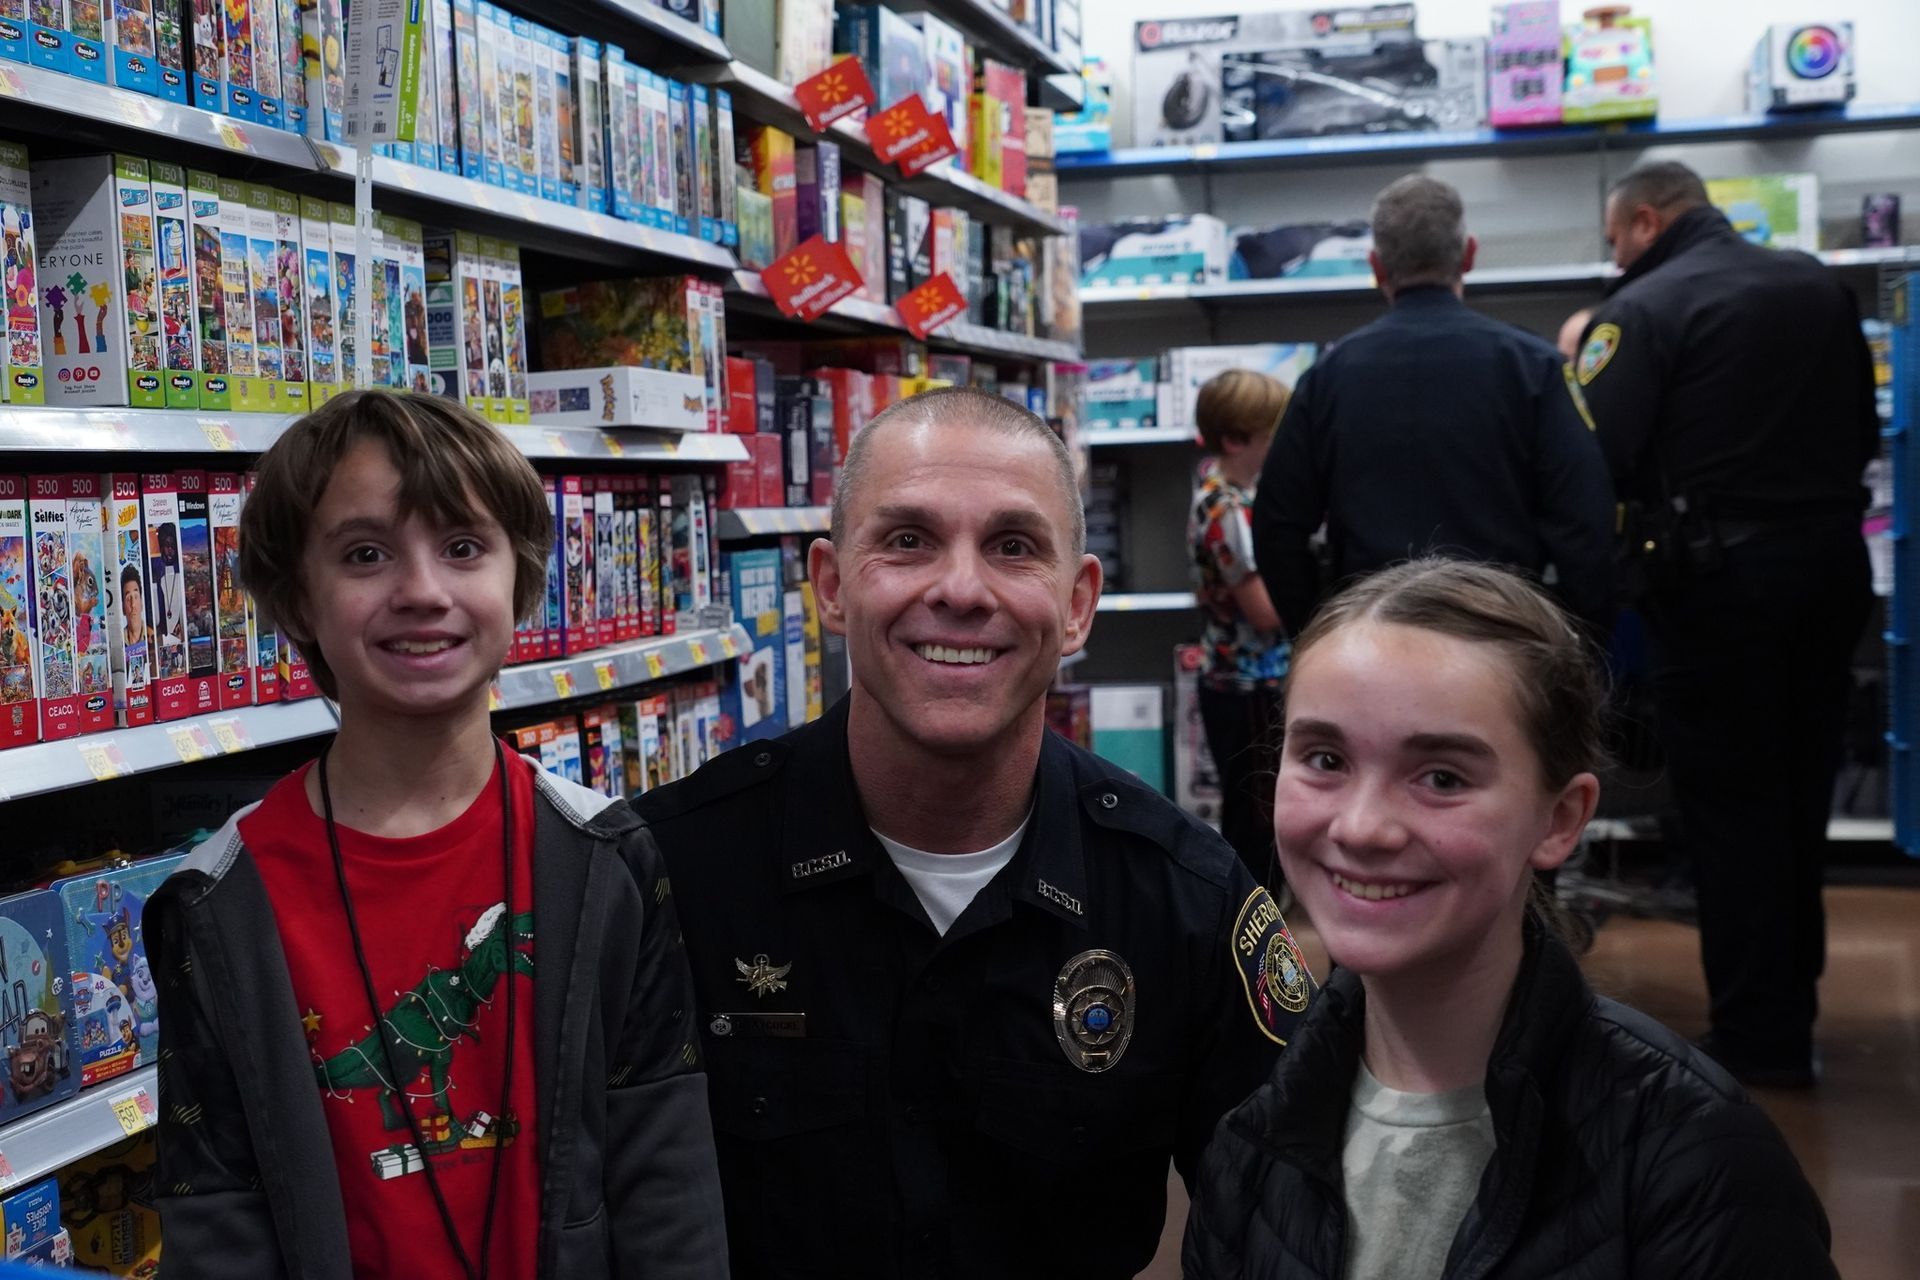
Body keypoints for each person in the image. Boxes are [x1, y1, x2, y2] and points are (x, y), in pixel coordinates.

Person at [635, 386, 1312, 1279]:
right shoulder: (672, 874)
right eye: (908, 539)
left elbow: (1291, 1225)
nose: (960, 589)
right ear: (833, 587)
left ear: (1077, 606)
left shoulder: (1187, 897)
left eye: (1013, 546)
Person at [146, 391, 727, 1279]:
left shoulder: (606, 857)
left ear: (519, 577)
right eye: (366, 554)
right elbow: (216, 1212)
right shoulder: (220, 901)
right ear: (297, 597)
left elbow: (667, 1178)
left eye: (462, 548)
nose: (421, 592)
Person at [1184, 559, 1837, 1279]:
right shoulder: (1249, 1145)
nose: (1364, 827)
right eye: (1326, 757)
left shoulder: (1698, 1163)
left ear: (1560, 820)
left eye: (1442, 777)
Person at [1574, 161, 1877, 1087]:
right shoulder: (1818, 285)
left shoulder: (1646, 307)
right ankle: (1794, 999)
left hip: (1716, 589)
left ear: (1647, 220)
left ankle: (1760, 1039)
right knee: (1798, 795)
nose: (1614, 254)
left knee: (1731, 810)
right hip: (1831, 571)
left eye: (1616, 237)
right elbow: (1864, 431)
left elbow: (1598, 456)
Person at [1250, 175, 1616, 636]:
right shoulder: (1534, 367)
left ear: (1376, 267)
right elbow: (1586, 520)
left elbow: (1276, 527)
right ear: (1468, 255)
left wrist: (1319, 633)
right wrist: (1571, 643)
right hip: (1500, 635)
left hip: (1372, 636)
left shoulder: (1328, 376)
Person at [1189, 368, 1292, 887]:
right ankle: (1251, 939)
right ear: (1235, 439)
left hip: (1246, 679)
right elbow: (1265, 613)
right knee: (1256, 819)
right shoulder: (1227, 508)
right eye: (1274, 435)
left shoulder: (1228, 491)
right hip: (1247, 683)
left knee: (1262, 811)